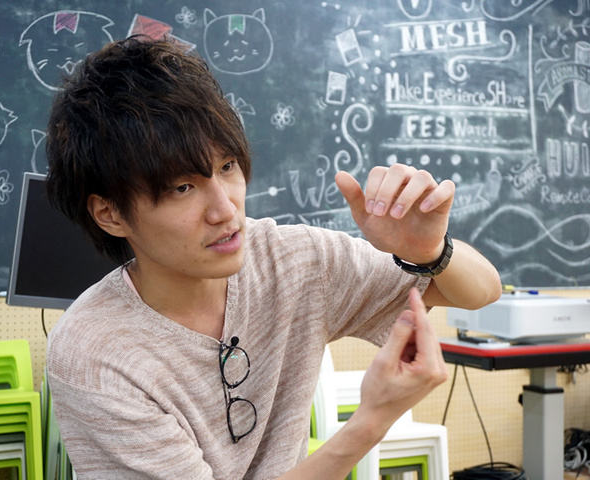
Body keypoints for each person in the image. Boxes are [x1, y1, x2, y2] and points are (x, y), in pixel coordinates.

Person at [44, 36, 501, 480]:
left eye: (227, 167)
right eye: (183, 187)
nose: (225, 210)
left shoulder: (293, 261)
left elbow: (481, 291)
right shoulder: (95, 354)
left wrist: (430, 251)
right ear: (109, 213)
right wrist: (371, 421)